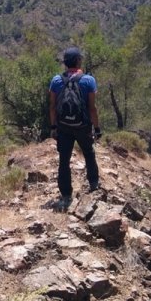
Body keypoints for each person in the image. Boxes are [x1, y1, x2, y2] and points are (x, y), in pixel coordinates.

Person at [48, 47, 102, 211]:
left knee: (64, 161)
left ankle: (66, 195)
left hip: (64, 127)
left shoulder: (56, 81)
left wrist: (53, 127)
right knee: (88, 153)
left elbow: (52, 107)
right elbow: (92, 108)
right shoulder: (88, 80)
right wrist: (97, 128)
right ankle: (93, 184)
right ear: (78, 61)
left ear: (65, 63)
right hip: (83, 126)